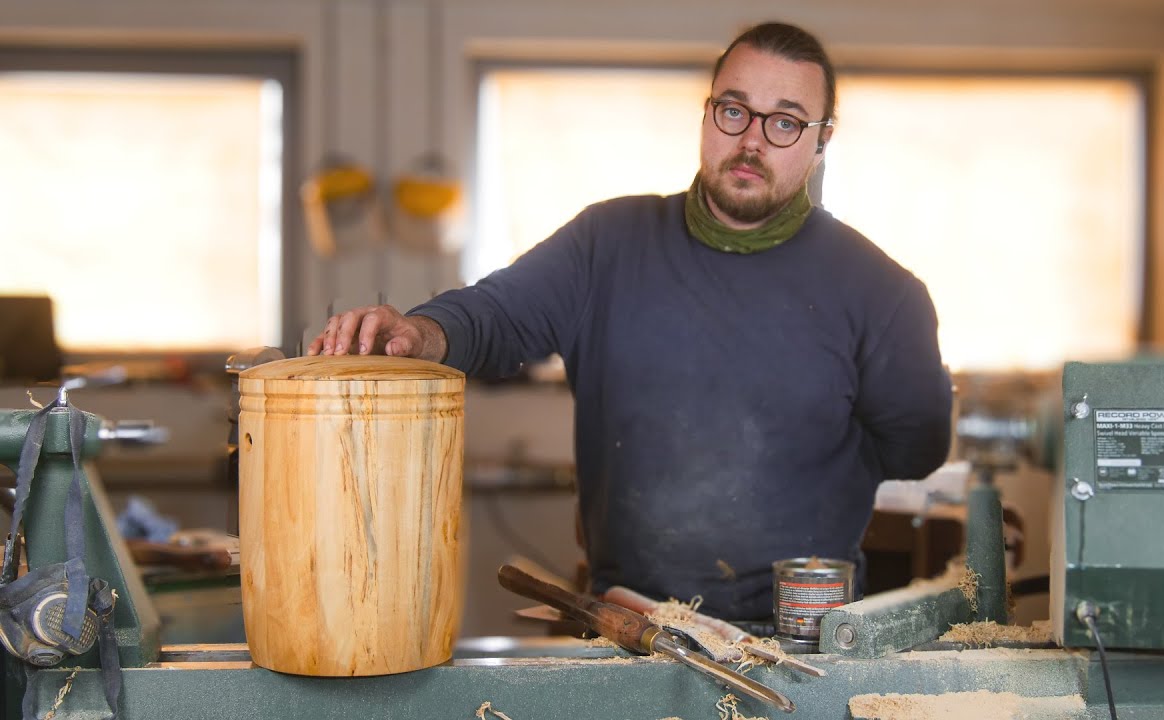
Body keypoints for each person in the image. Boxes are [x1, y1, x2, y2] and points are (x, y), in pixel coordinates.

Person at [309, 21, 952, 623]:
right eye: (734, 110)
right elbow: (498, 314)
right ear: (707, 114)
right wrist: (424, 333)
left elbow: (915, 450)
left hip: (805, 641)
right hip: (632, 630)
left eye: (785, 122)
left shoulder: (882, 294)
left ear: (821, 140)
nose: (752, 140)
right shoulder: (607, 244)